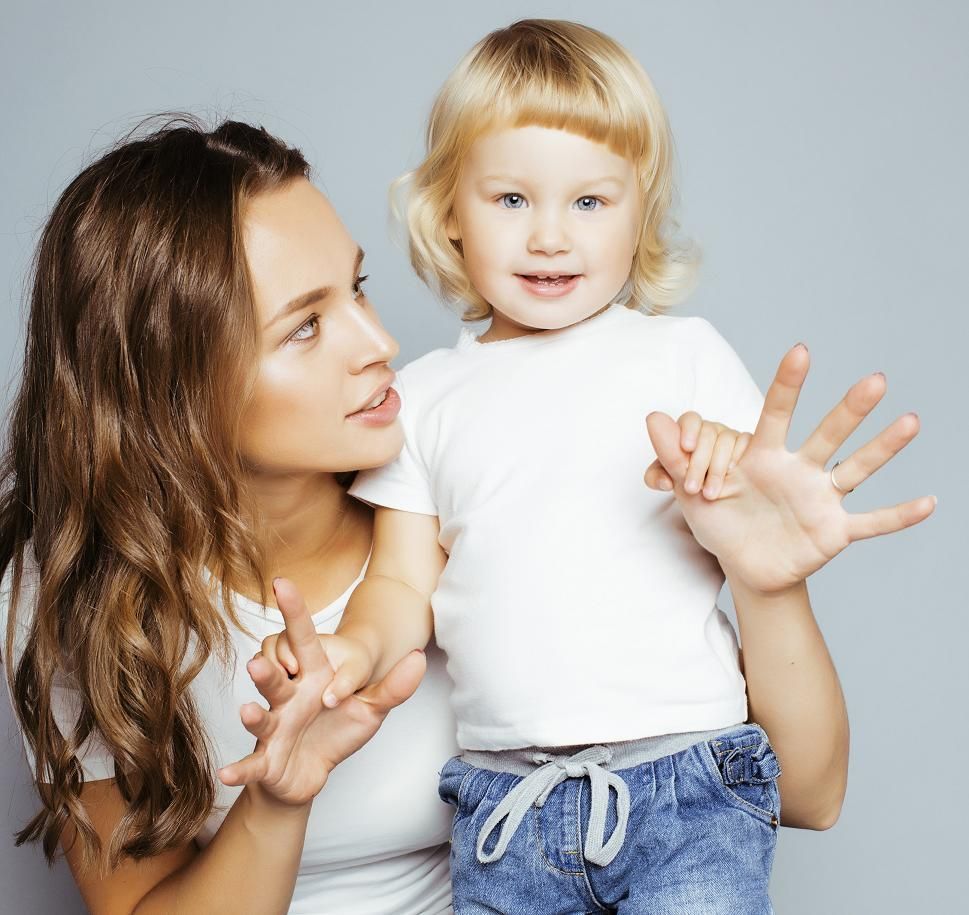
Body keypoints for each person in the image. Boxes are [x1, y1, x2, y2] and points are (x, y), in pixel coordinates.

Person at [256, 20, 935, 913]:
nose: (549, 237)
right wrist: (353, 650)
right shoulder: (421, 398)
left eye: (589, 202)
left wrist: (730, 472)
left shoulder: (683, 358)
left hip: (685, 784)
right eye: (509, 200)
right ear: (448, 212)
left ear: (638, 211)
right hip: (505, 807)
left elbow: (753, 492)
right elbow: (398, 585)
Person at [0, 117, 457, 914]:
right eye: (304, 326)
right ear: (173, 392)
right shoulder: (75, 585)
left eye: (356, 287)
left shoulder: (460, 475)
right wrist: (276, 802)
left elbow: (712, 778)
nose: (380, 341)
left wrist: (759, 586)